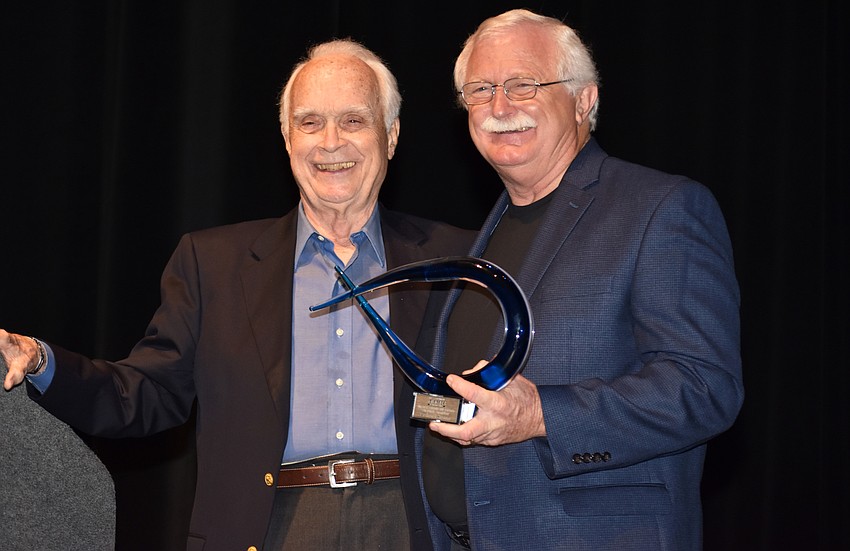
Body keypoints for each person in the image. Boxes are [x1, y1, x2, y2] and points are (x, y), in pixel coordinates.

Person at [1, 38, 473, 551]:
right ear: (287, 138)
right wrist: (42, 361)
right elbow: (146, 394)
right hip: (270, 526)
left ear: (392, 136)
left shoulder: (458, 260)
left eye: (354, 120)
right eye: (310, 122)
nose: (330, 142)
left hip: (413, 523)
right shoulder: (214, 265)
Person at [414, 9, 744, 550]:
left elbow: (705, 387)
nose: (500, 107)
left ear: (584, 100)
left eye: (523, 85)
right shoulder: (480, 237)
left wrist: (541, 414)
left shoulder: (660, 208)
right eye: (480, 90)